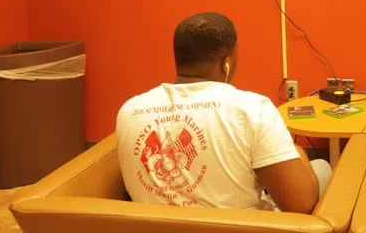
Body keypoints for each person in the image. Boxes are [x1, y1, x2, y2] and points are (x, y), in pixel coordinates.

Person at [116, 13, 331, 213]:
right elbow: (301, 206)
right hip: (243, 226)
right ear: (226, 64)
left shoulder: (130, 111)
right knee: (321, 167)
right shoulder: (252, 109)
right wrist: (297, 152)